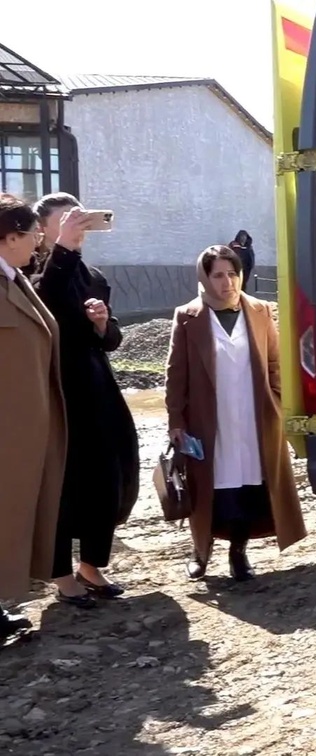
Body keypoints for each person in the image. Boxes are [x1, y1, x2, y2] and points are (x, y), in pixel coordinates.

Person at [165, 245, 307, 582]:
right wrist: (176, 421)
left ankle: (238, 553)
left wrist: (276, 402)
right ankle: (201, 551)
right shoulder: (188, 316)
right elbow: (176, 374)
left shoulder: (259, 310)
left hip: (253, 417)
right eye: (218, 275)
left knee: (247, 485)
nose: (227, 282)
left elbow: (274, 362)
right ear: (205, 278)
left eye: (232, 274)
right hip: (208, 420)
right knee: (208, 487)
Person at [30, 193, 139, 608]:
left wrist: (101, 325)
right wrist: (64, 250)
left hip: (97, 387)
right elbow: (46, 298)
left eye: (79, 219)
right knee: (62, 482)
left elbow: (112, 339)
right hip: (57, 390)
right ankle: (60, 573)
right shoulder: (32, 271)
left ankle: (92, 565)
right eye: (65, 220)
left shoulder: (92, 275)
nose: (76, 227)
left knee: (107, 475)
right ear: (43, 228)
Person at [0, 194, 65, 644]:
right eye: (32, 234)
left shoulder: (15, 278)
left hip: (22, 431)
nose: (38, 241)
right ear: (9, 238)